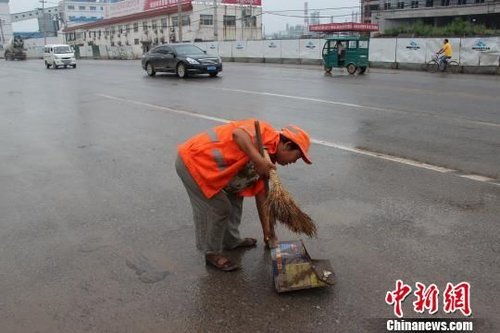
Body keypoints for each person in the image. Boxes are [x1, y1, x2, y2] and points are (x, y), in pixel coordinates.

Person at [175, 119, 312, 271]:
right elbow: (238, 134)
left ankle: (231, 241)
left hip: (218, 172)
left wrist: (267, 233)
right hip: (193, 163)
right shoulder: (264, 131)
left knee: (236, 198)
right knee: (219, 208)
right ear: (287, 146)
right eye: (297, 157)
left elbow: (262, 198)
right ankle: (212, 253)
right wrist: (258, 160)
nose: (294, 162)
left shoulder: (269, 161)